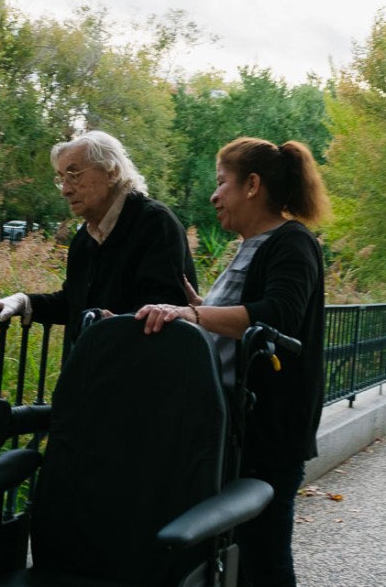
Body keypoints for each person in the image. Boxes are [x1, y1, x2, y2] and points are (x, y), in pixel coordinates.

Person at [136, 137, 328, 587]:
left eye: (222, 183)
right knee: (239, 554)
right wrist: (196, 310)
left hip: (268, 435)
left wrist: (192, 314)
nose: (214, 195)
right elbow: (237, 322)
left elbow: (278, 314)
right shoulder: (252, 245)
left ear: (253, 185)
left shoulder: (293, 242)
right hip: (233, 430)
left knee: (265, 557)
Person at [0, 130, 197, 349]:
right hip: (91, 367)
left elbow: (166, 310)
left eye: (74, 175)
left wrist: (115, 325)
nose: (65, 190)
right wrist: (23, 302)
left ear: (112, 172)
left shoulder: (155, 223)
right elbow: (73, 303)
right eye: (62, 179)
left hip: (136, 367)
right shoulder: (85, 238)